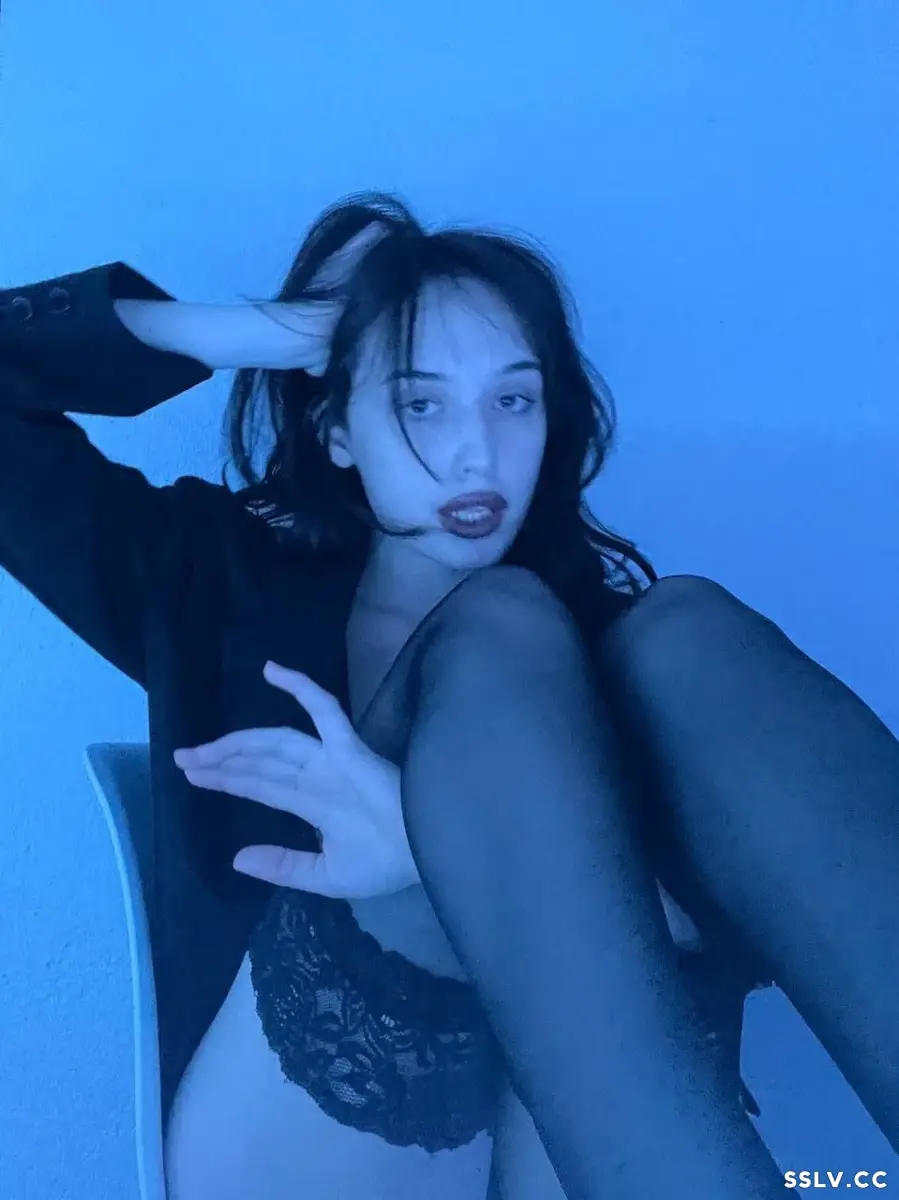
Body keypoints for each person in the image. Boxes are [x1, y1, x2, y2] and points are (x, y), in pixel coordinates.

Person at [0, 192, 896, 1200]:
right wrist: (263, 334)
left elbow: (751, 925)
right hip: (301, 1124)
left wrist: (424, 851)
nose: (476, 453)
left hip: (571, 1116)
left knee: (685, 625)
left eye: (512, 401)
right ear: (336, 428)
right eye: (419, 401)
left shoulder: (624, 649)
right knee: (501, 622)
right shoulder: (208, 578)